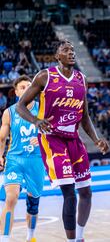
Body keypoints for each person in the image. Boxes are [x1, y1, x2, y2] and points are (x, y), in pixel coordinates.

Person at [16, 40, 109, 242]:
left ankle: (80, 237)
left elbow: (85, 116)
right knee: (70, 193)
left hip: (74, 139)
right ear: (57, 56)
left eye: (73, 50)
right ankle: (71, 240)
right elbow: (20, 106)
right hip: (52, 139)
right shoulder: (45, 76)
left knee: (86, 192)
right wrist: (36, 121)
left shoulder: (81, 79)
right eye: (66, 50)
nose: (71, 52)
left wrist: (96, 139)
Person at [0, 76, 44, 242]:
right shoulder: (9, 112)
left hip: (36, 160)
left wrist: (42, 139)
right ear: (17, 92)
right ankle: (4, 239)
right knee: (11, 198)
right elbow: (2, 138)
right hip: (15, 160)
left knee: (33, 204)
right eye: (23, 87)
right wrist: (0, 156)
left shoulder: (43, 110)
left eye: (29, 86)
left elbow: (55, 135)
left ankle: (30, 237)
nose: (27, 89)